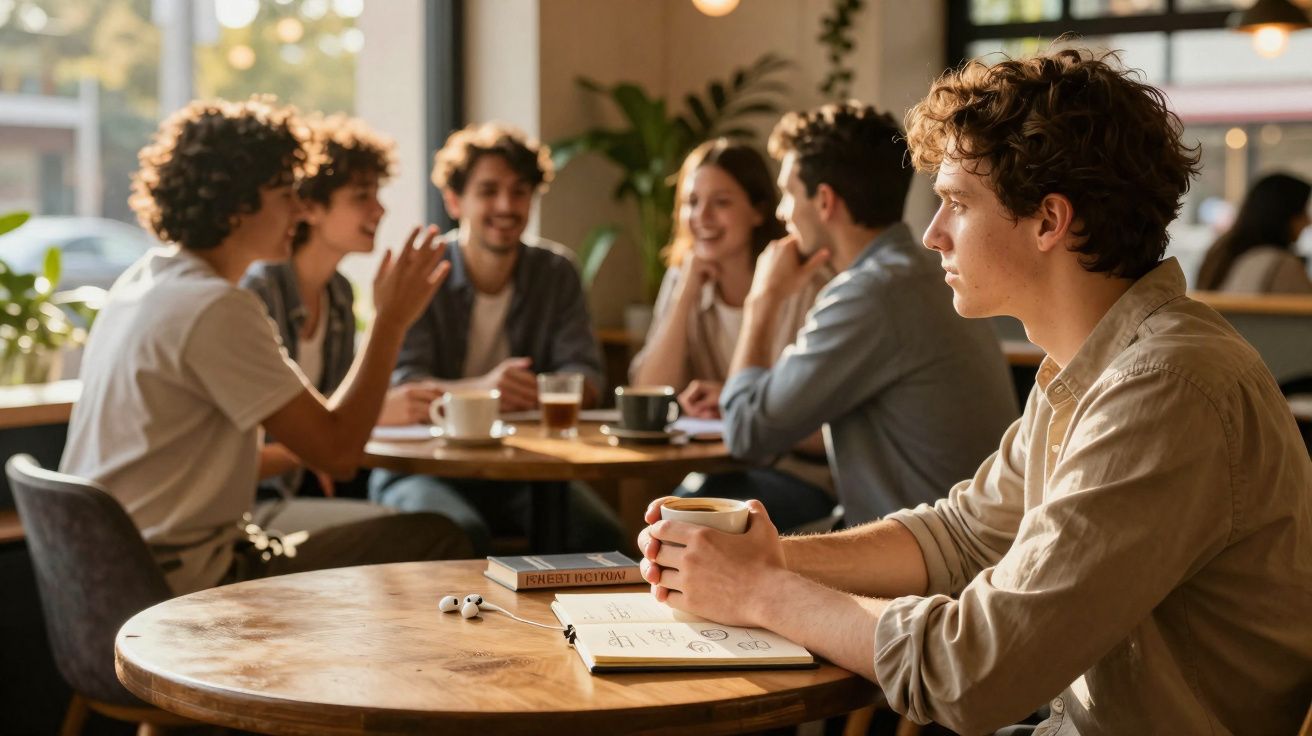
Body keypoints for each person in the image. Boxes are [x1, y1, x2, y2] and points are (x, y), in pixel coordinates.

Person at [639, 49, 1312, 735]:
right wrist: (767, 558)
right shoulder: (1090, 367)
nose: (933, 235)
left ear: (1049, 221)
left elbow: (973, 671)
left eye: (957, 204)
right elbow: (960, 536)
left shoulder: (1164, 389)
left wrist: (763, 590)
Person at [60, 97, 471, 595]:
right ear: (238, 205)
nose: (300, 208)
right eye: (285, 193)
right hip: (187, 582)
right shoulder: (216, 306)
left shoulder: (143, 280)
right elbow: (339, 453)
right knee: (439, 538)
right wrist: (391, 321)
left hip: (107, 575)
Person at [695, 102, 1018, 526]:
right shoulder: (922, 276)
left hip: (931, 548)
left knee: (701, 517)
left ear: (824, 201)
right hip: (940, 531)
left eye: (789, 194)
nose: (781, 212)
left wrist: (763, 300)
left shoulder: (871, 295)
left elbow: (746, 433)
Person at [369, 121, 624, 555]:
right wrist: (485, 391)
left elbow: (587, 375)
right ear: (454, 201)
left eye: (519, 192)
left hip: (525, 470)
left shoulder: (556, 272)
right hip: (423, 468)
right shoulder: (424, 274)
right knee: (458, 535)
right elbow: (404, 385)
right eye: (488, 191)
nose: (506, 205)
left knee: (601, 539)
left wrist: (534, 391)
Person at [628, 139, 835, 532]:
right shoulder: (684, 279)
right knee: (674, 514)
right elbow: (647, 391)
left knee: (686, 518)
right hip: (720, 471)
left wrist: (731, 399)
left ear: (758, 210)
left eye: (720, 202)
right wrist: (686, 294)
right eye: (691, 202)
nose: (701, 217)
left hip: (802, 475)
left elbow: (824, 417)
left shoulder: (806, 283)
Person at [243, 114, 436, 504]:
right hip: (261, 496)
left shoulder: (340, 294)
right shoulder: (259, 291)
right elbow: (285, 430)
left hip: (312, 486)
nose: (380, 210)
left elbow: (338, 407)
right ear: (310, 207)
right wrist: (376, 412)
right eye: (362, 196)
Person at [1196, 172, 1312, 293]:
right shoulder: (1281, 264)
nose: (1308, 221)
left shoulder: (1221, 250)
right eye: (1303, 211)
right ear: (1284, 214)